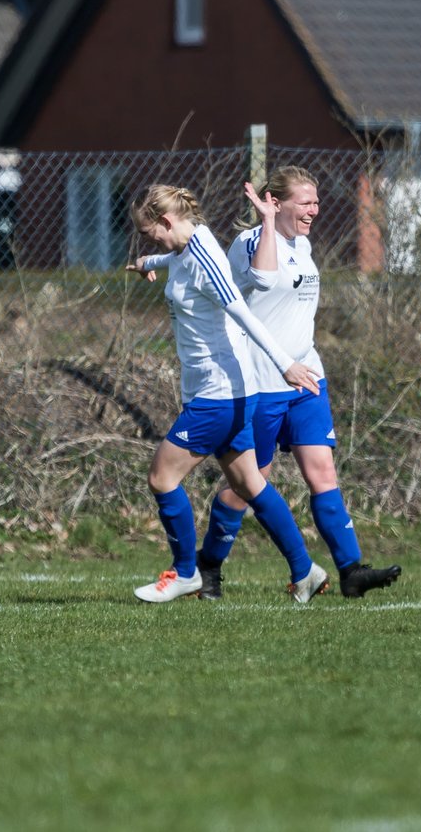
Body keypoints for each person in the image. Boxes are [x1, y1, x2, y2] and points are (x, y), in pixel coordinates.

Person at [192, 166, 402, 599]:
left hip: (306, 377)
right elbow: (265, 278)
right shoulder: (250, 242)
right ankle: (208, 565)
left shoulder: (302, 244)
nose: (314, 210)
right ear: (276, 202)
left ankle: (350, 570)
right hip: (262, 383)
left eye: (316, 202)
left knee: (323, 472)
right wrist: (266, 222)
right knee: (248, 485)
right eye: (304, 202)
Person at [123, 184, 329, 604]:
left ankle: (185, 573)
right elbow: (176, 255)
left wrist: (284, 365)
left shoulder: (203, 255)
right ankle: (305, 571)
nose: (151, 240)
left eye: (150, 234)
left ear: (166, 220)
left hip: (218, 396)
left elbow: (241, 311)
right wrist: (150, 260)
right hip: (227, 393)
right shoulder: (185, 246)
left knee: (162, 478)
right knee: (252, 484)